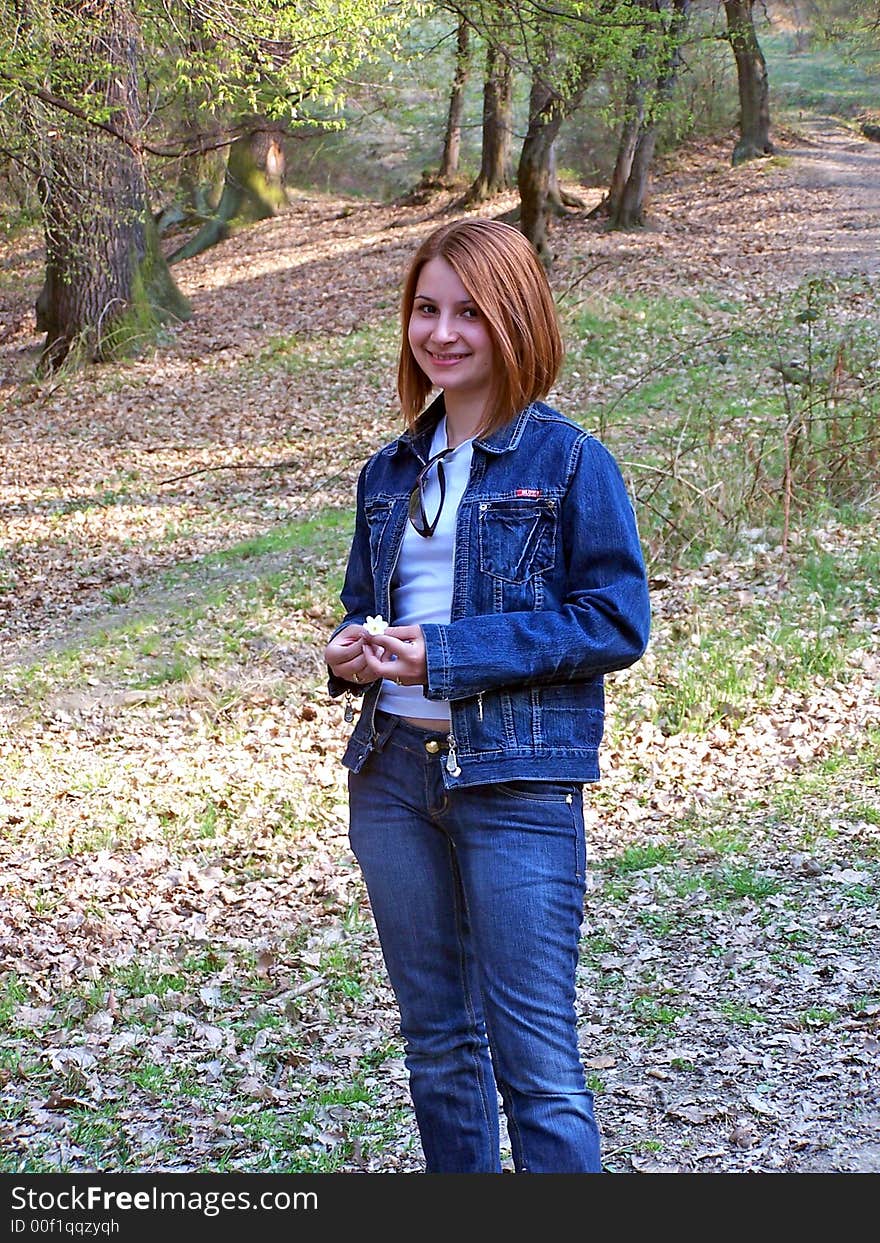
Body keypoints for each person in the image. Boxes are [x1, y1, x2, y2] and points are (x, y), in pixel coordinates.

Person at [323, 217, 650, 1174]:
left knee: (536, 1066)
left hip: (514, 785)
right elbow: (366, 605)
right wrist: (354, 650)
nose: (443, 332)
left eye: (469, 310)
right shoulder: (389, 472)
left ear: (516, 319)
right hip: (391, 777)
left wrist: (450, 654)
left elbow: (612, 620)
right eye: (426, 309)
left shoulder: (570, 462)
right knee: (437, 1048)